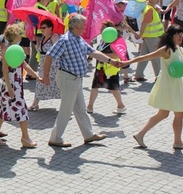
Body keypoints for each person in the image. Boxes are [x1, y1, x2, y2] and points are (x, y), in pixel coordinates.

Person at [43, 14, 119, 147]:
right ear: (77, 27)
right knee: (66, 110)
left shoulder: (79, 39)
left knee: (80, 109)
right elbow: (49, 56)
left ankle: (88, 135)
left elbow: (93, 52)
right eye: (83, 26)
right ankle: (55, 138)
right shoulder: (64, 40)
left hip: (76, 79)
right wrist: (45, 76)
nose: (85, 29)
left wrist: (110, 61)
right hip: (68, 78)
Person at [123, 25, 183, 149]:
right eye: (177, 34)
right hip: (169, 86)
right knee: (176, 113)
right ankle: (177, 141)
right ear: (170, 36)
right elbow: (144, 57)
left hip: (176, 85)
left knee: (164, 114)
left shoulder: (179, 49)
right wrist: (127, 62)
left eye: (181, 34)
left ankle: (141, 134)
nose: (180, 37)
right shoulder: (166, 49)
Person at [0, 24, 40, 148]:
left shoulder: (17, 49)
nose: (22, 35)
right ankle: (25, 138)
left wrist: (36, 76)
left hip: (17, 84)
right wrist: (9, 87)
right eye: (20, 33)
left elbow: (24, 64)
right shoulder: (6, 50)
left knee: (3, 111)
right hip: (11, 85)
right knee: (21, 111)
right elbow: (4, 70)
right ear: (14, 36)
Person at [86, 21, 127, 115]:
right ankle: (90, 106)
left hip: (109, 68)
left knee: (113, 87)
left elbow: (116, 55)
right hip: (100, 67)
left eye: (102, 28)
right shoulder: (103, 40)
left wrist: (101, 55)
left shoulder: (113, 41)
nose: (100, 29)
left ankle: (121, 105)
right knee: (95, 86)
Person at [29, 19, 61, 111]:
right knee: (41, 83)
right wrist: (36, 42)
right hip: (43, 64)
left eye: (44, 28)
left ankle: (68, 104)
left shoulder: (54, 36)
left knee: (58, 85)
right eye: (40, 28)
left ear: (50, 28)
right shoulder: (43, 38)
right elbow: (39, 51)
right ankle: (35, 104)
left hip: (53, 65)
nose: (41, 29)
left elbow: (58, 50)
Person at [134, 0, 164, 81]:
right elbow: (144, 22)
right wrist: (140, 34)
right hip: (152, 37)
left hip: (150, 37)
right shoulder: (150, 9)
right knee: (155, 57)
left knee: (143, 56)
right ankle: (159, 77)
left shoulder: (150, 7)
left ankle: (139, 75)